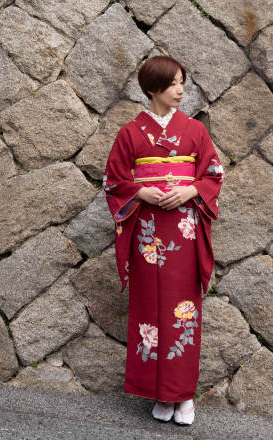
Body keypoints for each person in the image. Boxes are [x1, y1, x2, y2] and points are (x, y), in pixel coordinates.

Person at [103, 55, 224, 425]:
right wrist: (141, 192)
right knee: (149, 309)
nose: (180, 90)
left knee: (182, 310)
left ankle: (183, 395)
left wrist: (190, 190)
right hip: (147, 233)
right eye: (172, 84)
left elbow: (213, 173)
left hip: (184, 230)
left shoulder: (194, 131)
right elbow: (113, 180)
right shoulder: (130, 134)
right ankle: (159, 394)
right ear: (153, 89)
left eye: (182, 82)